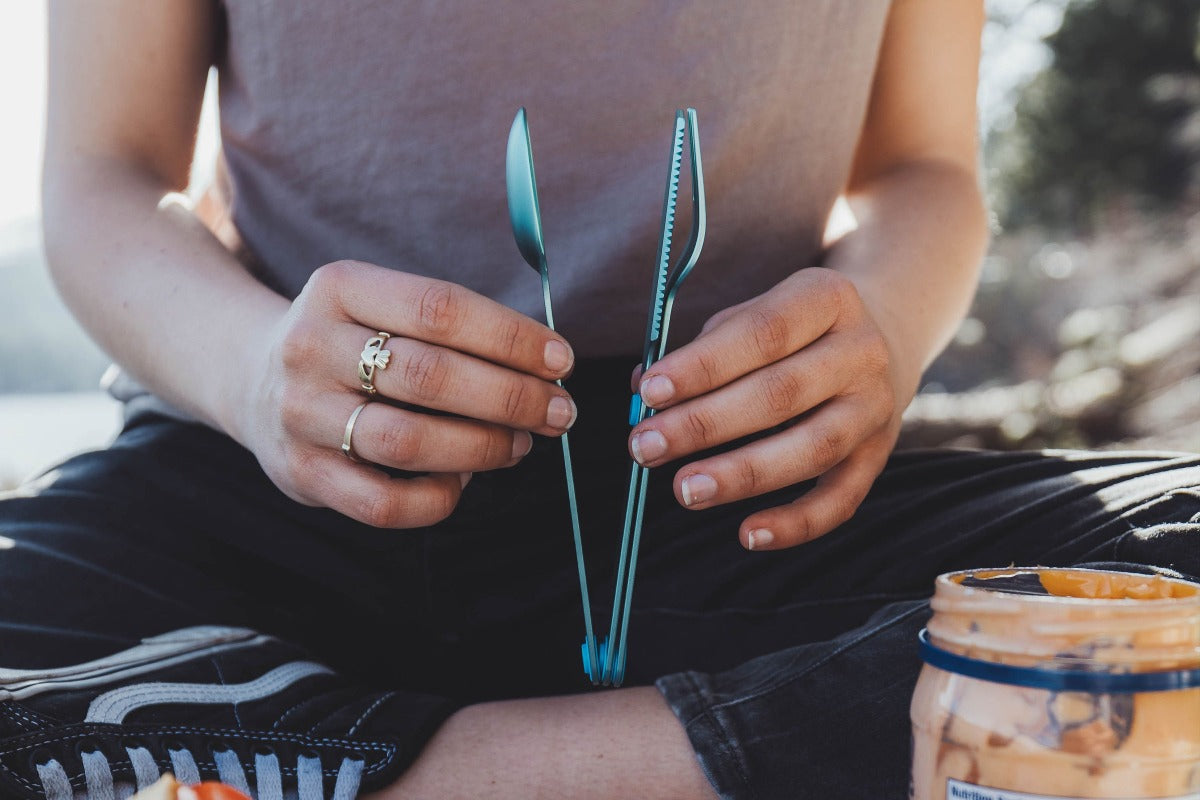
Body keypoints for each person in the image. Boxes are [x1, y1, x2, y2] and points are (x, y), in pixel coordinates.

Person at [1, 0, 1195, 798]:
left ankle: (332, 759)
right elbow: (103, 170)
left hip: (736, 478)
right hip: (254, 475)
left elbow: (924, 168)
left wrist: (876, 318)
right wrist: (256, 371)